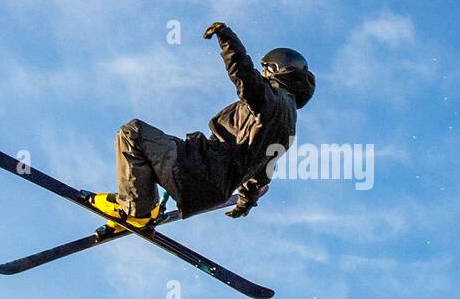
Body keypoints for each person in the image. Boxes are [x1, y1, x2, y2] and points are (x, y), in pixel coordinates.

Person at [92, 22, 315, 229]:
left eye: (266, 70)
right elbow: (262, 170)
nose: (263, 74)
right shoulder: (288, 129)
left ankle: (137, 211)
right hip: (210, 186)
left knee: (133, 134)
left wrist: (227, 38)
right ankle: (135, 203)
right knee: (150, 148)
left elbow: (245, 76)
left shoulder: (271, 100)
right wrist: (245, 201)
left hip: (198, 170)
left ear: (277, 70)